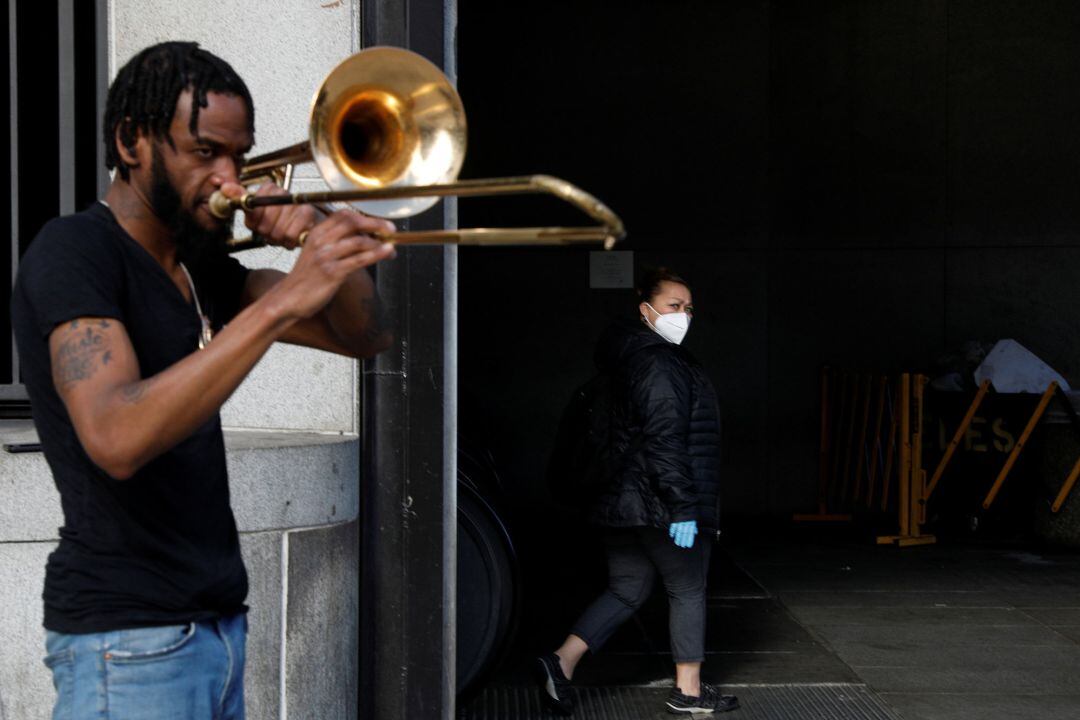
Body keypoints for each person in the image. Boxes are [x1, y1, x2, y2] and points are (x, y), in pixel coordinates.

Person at [10, 41, 396, 719]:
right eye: (205, 153)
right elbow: (116, 435)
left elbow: (365, 336)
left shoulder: (199, 269)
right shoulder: (74, 251)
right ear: (133, 141)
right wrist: (280, 303)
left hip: (212, 630)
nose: (229, 177)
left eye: (239, 156)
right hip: (126, 642)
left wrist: (318, 235)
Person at [536, 268, 739, 716]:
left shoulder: (628, 357)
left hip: (622, 503)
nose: (683, 315)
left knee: (629, 588)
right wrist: (683, 507)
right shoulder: (660, 362)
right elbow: (664, 439)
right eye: (672, 306)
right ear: (646, 310)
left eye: (688, 308)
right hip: (658, 505)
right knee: (688, 586)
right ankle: (689, 691)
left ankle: (561, 661)